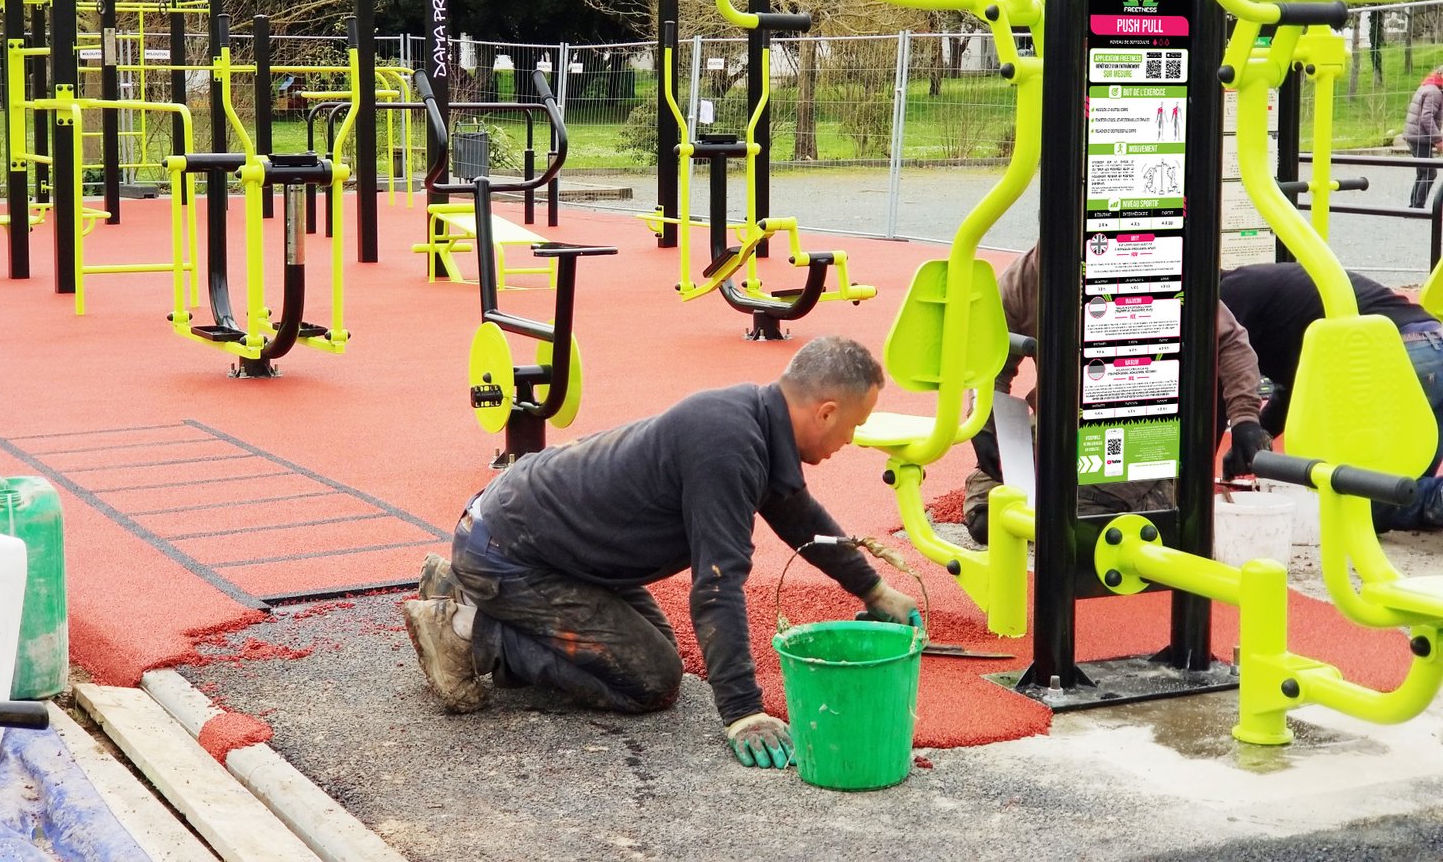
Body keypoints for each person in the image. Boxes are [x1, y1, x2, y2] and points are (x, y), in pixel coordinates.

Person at [401, 335, 915, 770]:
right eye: (853, 424)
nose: (851, 438)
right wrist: (743, 711)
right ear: (825, 411)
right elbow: (717, 585)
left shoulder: (751, 419)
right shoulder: (729, 446)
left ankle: (459, 586)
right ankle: (466, 634)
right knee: (651, 680)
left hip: (532, 539)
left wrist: (873, 590)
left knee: (656, 649)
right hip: (510, 550)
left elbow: (801, 519)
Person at [962, 244, 1273, 544]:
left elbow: (1230, 340)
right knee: (985, 516)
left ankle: (1155, 498)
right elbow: (989, 357)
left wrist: (1245, 418)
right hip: (1060, 427)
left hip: (1139, 428)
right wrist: (984, 421)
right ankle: (1079, 500)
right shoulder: (1028, 274)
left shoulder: (1146, 264)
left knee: (1080, 523)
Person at [1219, 262, 1443, 531]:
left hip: (1394, 352)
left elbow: (1215, 375)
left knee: (1362, 501)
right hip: (1431, 347)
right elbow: (1291, 392)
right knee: (1403, 489)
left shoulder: (1226, 296)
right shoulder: (1268, 290)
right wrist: (1254, 435)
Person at [1403, 67, 1443, 209]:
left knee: (1423, 172)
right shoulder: (1434, 92)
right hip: (1420, 137)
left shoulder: (1429, 86)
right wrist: (1438, 139)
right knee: (1430, 172)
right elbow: (1427, 117)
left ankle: (1414, 205)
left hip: (1415, 135)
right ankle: (1418, 206)